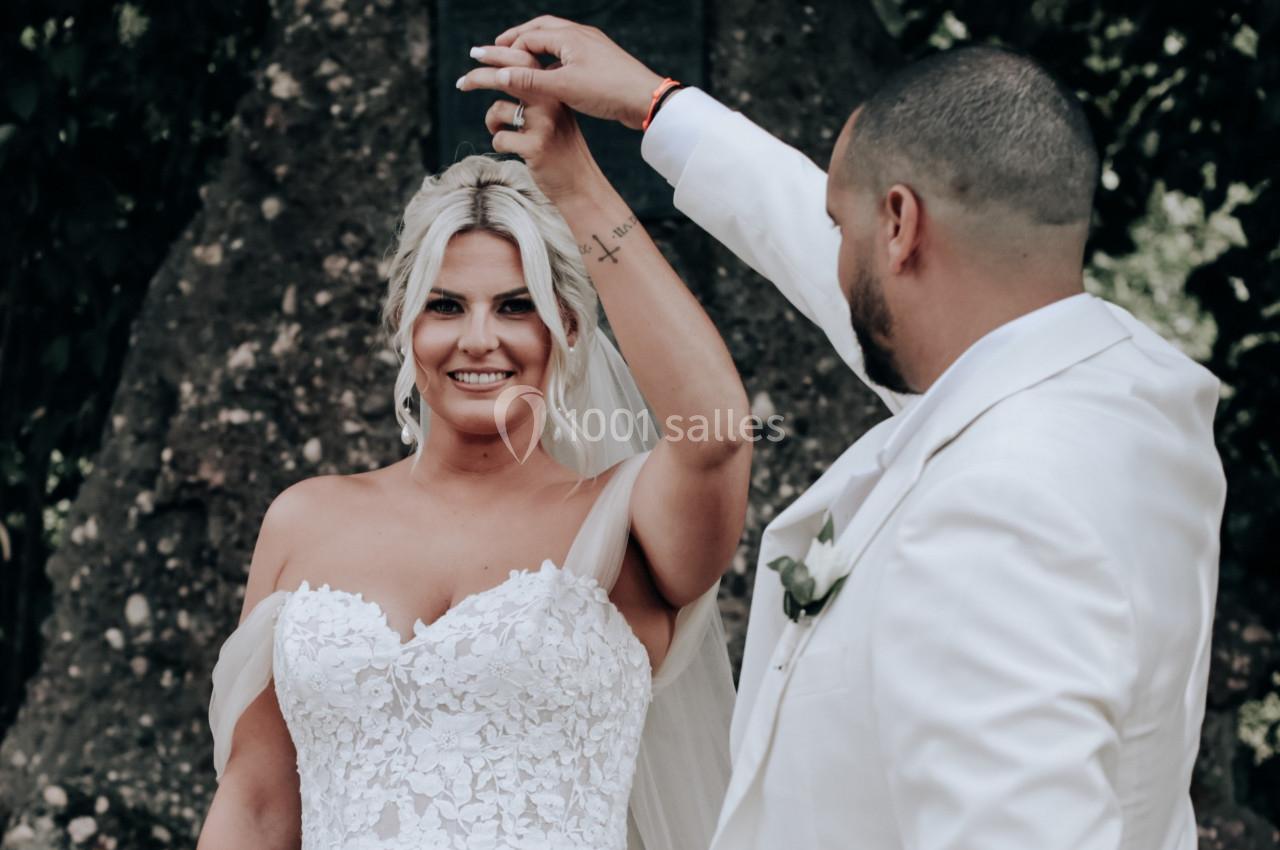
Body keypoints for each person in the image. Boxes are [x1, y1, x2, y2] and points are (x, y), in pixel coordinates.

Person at [460, 19, 1228, 850]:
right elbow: (867, 280)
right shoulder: (1130, 393)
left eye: (842, 225)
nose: (831, 254)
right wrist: (657, 109)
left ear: (900, 225)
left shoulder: (1002, 510)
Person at [199, 79, 753, 849]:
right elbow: (257, 803)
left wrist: (579, 186)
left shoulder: (625, 522)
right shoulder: (304, 521)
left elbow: (718, 433)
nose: (480, 339)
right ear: (404, 323)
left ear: (565, 325)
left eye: (517, 306)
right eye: (447, 305)